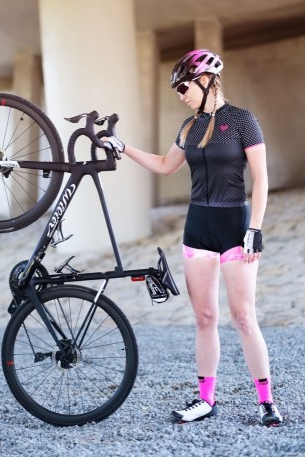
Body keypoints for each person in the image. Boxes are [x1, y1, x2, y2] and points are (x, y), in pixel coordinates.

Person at [102, 49, 283, 427]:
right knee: (204, 318)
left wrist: (255, 229)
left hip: (235, 227)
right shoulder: (188, 127)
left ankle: (266, 401)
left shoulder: (243, 120)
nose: (180, 95)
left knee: (243, 317)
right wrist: (123, 147)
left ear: (207, 81)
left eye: (184, 87)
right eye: (176, 90)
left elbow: (261, 178)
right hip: (197, 228)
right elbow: (165, 165)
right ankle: (205, 399)